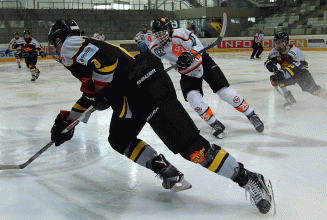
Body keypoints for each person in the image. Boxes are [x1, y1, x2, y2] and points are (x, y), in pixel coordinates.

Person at [48, 19, 274, 214]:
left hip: (147, 89)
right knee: (119, 138)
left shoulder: (70, 45)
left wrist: (97, 92)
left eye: (53, 44)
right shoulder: (79, 54)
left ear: (60, 39)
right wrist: (70, 121)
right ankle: (162, 166)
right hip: (133, 95)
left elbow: (106, 64)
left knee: (193, 149)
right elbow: (98, 90)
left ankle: (248, 178)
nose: (55, 50)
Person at [149, 17, 264, 139]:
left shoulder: (181, 34)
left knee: (225, 92)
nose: (159, 37)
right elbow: (154, 63)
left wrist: (189, 55)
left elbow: (197, 45)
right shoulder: (155, 47)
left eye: (162, 33)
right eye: (157, 35)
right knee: (193, 99)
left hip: (204, 63)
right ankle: (215, 124)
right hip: (187, 73)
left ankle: (251, 114)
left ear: (169, 30)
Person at [264, 32, 327, 109]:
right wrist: (269, 65)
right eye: (276, 43)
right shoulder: (275, 51)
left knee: (314, 90)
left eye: (279, 42)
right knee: (275, 80)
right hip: (288, 74)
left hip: (301, 73)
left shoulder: (295, 50)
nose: (277, 45)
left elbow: (299, 66)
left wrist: (282, 72)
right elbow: (268, 61)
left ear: (285, 42)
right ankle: (290, 101)